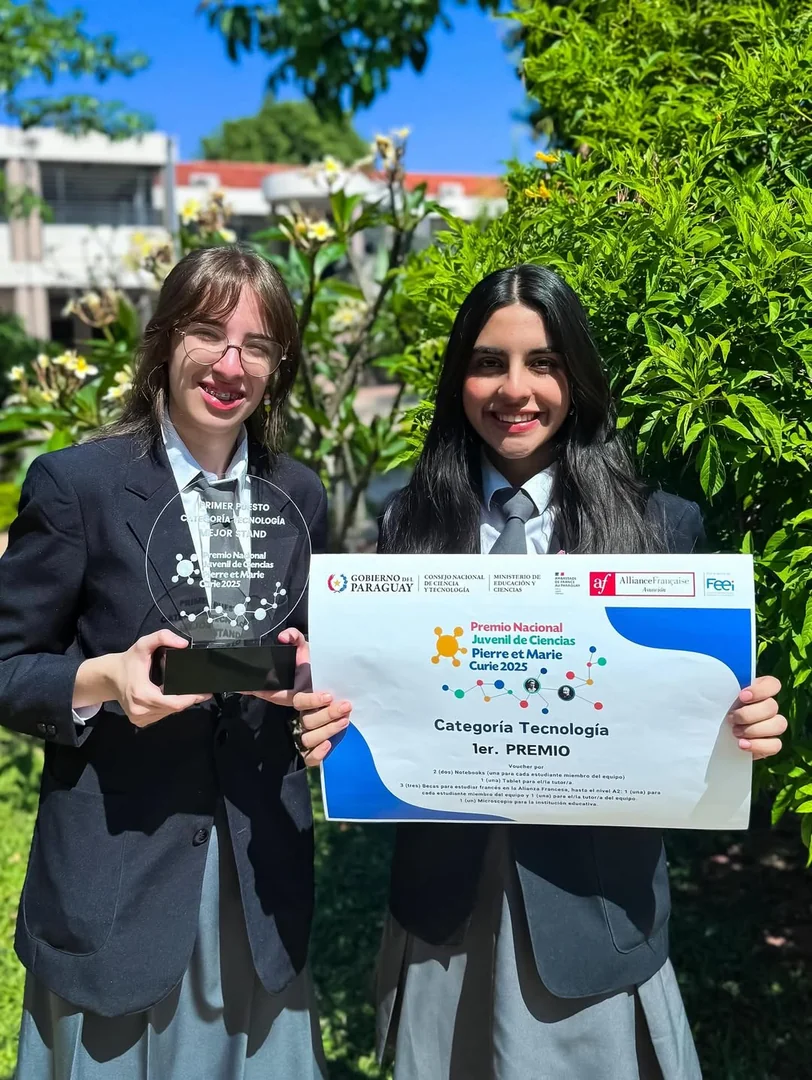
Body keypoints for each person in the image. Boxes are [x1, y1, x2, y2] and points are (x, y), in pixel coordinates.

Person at [361, 264, 784, 1079]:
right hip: (446, 905)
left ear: (577, 378)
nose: (513, 389)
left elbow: (695, 709)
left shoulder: (662, 527)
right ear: (459, 379)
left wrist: (743, 726)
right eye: (488, 362)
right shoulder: (406, 521)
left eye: (543, 363)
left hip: (595, 908)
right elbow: (383, 695)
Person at [0, 244, 350, 1079]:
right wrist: (102, 682)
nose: (232, 364)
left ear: (276, 366)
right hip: (117, 874)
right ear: (164, 341)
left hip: (258, 872)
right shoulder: (75, 486)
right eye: (209, 333)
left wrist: (314, 694)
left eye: (258, 345)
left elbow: (311, 658)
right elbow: (7, 664)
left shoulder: (298, 497)